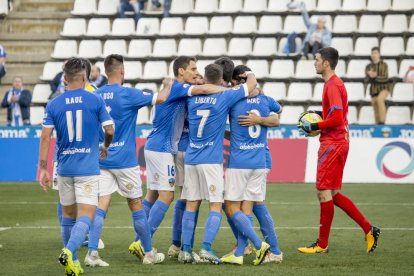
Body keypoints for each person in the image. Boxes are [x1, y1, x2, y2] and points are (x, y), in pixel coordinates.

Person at [129, 56, 228, 259]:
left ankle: (140, 240)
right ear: (181, 71)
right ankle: (144, 243)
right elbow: (203, 90)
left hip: (156, 146)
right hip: (163, 149)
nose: (195, 71)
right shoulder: (178, 87)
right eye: (192, 68)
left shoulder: (174, 87)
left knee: (153, 194)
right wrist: (230, 92)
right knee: (169, 196)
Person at [85, 54, 171, 267]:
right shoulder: (129, 93)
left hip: (102, 159)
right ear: (122, 71)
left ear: (106, 72)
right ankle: (149, 253)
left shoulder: (95, 95)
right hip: (125, 161)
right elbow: (160, 98)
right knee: (136, 206)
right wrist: (168, 84)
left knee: (101, 205)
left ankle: (92, 253)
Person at [180, 64, 270, 265]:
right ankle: (206, 248)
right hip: (210, 160)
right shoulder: (225, 96)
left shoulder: (192, 97)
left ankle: (186, 250)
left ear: (204, 78)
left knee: (192, 203)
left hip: (192, 157)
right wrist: (250, 74)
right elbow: (252, 85)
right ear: (221, 79)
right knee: (216, 204)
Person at [297, 47, 380, 254]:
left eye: (316, 60)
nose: (314, 63)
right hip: (337, 141)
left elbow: (335, 119)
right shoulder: (334, 84)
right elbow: (335, 115)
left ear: (326, 63)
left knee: (323, 191)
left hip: (333, 143)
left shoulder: (333, 85)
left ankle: (322, 244)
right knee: (332, 193)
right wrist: (317, 114)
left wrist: (314, 126)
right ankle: (369, 230)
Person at [38, 57, 114, 275]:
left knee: (68, 216)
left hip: (64, 168)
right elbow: (109, 130)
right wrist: (105, 146)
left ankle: (72, 263)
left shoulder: (54, 104)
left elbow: (45, 137)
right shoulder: (95, 100)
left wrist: (43, 168)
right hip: (87, 168)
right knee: (87, 215)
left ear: (64, 78)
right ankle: (69, 252)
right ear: (84, 77)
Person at [220, 65, 283, 265]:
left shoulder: (234, 100)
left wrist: (258, 119)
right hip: (260, 159)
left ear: (240, 82)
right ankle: (250, 250)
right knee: (249, 206)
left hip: (244, 161)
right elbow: (278, 112)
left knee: (238, 205)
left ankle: (265, 248)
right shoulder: (265, 100)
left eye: (232, 82)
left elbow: (274, 120)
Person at [365, 47, 390, 125]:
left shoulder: (384, 65)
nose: (374, 55)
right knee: (375, 106)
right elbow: (367, 79)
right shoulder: (368, 66)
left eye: (375, 53)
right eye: (372, 53)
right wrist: (372, 76)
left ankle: (382, 122)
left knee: (380, 99)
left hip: (384, 88)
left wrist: (375, 77)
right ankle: (378, 125)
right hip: (373, 90)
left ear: (379, 54)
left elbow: (385, 78)